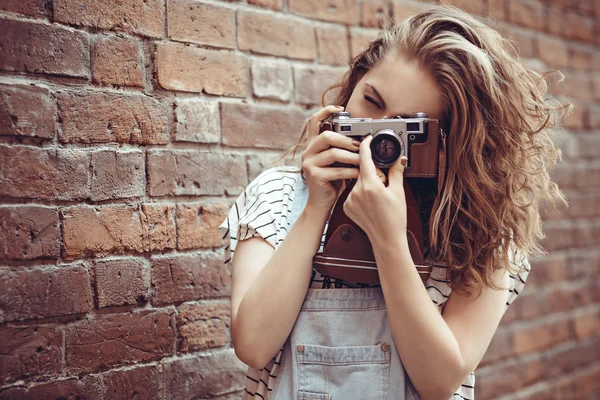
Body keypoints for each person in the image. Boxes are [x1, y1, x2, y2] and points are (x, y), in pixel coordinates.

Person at [218, 4, 569, 400]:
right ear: (353, 84)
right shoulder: (277, 196)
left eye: (405, 128)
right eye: (370, 102)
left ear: (451, 145)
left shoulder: (481, 233)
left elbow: (439, 382)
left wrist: (390, 241)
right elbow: (252, 345)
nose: (377, 137)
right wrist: (317, 206)